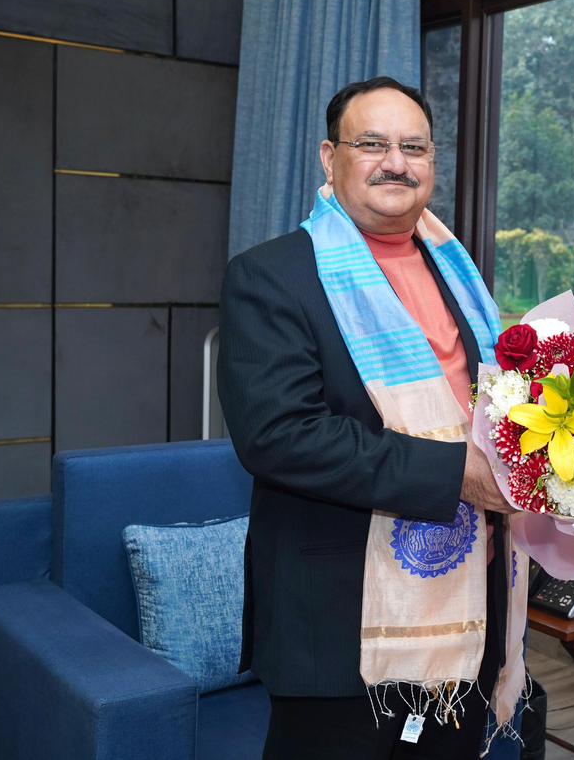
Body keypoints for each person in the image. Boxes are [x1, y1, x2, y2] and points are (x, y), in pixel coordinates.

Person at [218, 76, 526, 760]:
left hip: (467, 600)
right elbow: (279, 437)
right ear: (330, 158)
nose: (397, 161)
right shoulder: (271, 277)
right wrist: (458, 476)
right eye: (373, 144)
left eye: (414, 146)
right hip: (336, 616)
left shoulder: (459, 271)